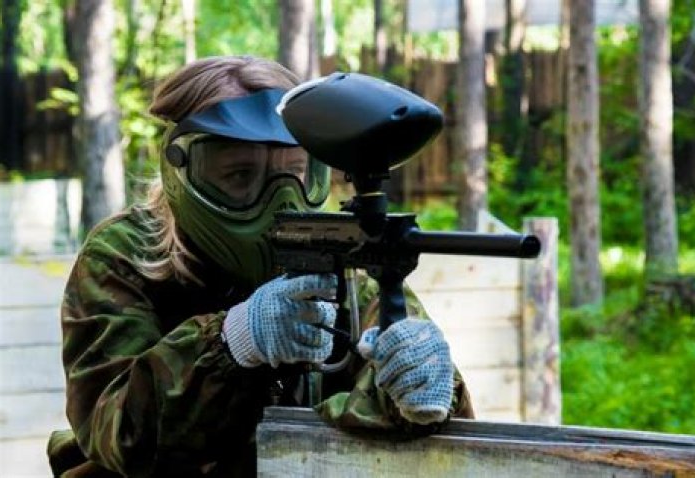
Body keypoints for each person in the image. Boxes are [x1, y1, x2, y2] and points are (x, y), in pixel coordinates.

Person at [47, 55, 473, 477]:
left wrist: (422, 387)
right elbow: (118, 433)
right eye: (240, 176)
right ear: (182, 173)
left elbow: (440, 436)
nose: (280, 201)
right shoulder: (125, 256)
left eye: (296, 174)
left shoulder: (340, 256)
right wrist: (233, 342)